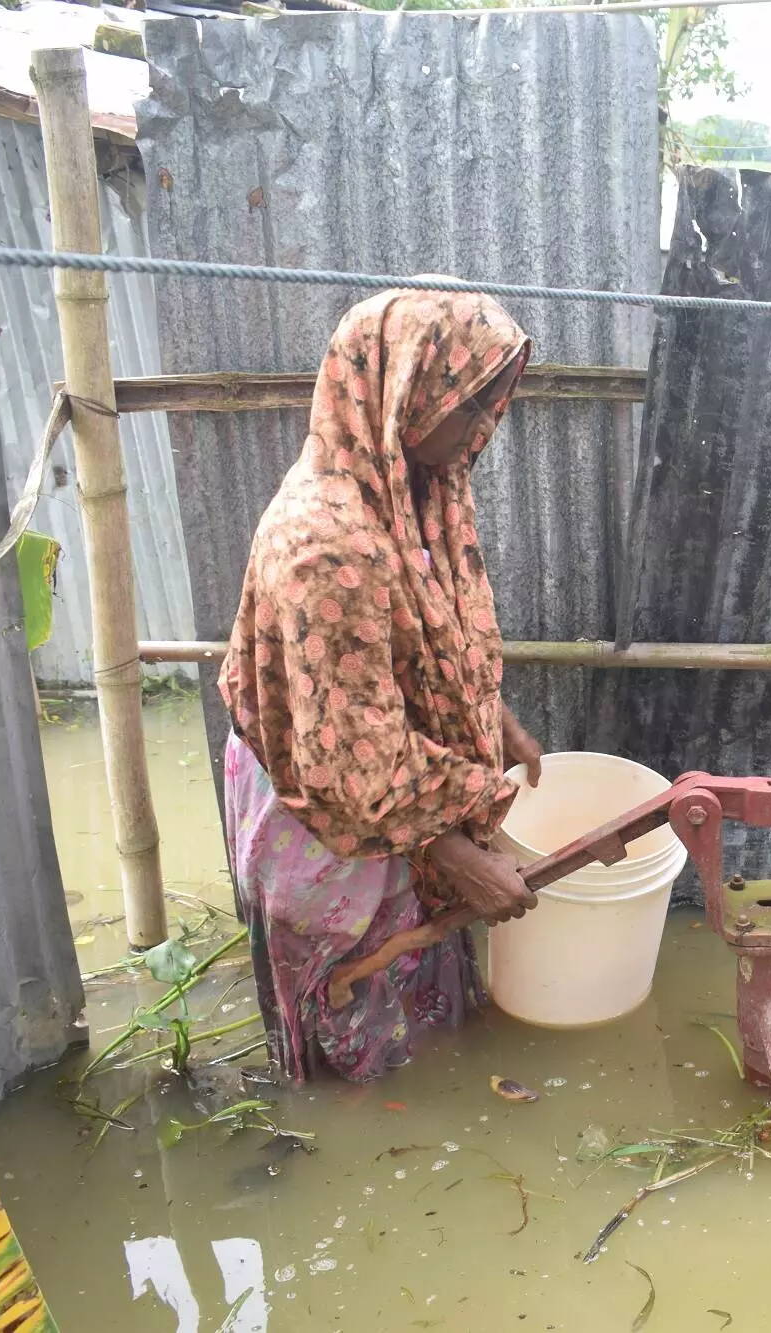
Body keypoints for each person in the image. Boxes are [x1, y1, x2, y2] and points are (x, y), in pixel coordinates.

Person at [217, 286, 548, 1084]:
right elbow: (351, 766)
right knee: (355, 1031)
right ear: (397, 386)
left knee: (417, 1011)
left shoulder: (418, 487)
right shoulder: (329, 540)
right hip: (327, 815)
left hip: (394, 783)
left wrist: (489, 713)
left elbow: (423, 636)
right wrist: (452, 850)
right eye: (466, 403)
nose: (482, 428)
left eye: (489, 404)